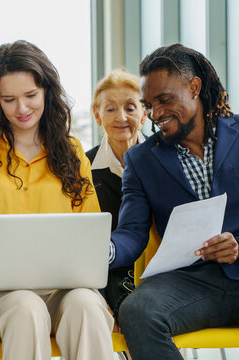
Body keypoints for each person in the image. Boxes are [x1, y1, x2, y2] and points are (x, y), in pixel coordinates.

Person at [0, 40, 115, 360]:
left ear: (46, 91)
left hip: (64, 290)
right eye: (9, 99)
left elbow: (91, 228)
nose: (22, 109)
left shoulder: (72, 152)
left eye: (30, 96)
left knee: (86, 306)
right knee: (27, 308)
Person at [108, 43, 239, 360]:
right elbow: (131, 233)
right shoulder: (141, 160)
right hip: (187, 283)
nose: (156, 114)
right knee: (137, 310)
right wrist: (106, 249)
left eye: (165, 100)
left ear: (194, 87)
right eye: (149, 105)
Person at [86, 69, 146, 319]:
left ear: (144, 114)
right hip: (104, 273)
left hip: (156, 269)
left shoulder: (164, 160)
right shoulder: (82, 168)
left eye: (131, 107)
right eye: (110, 109)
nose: (121, 117)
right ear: (97, 115)